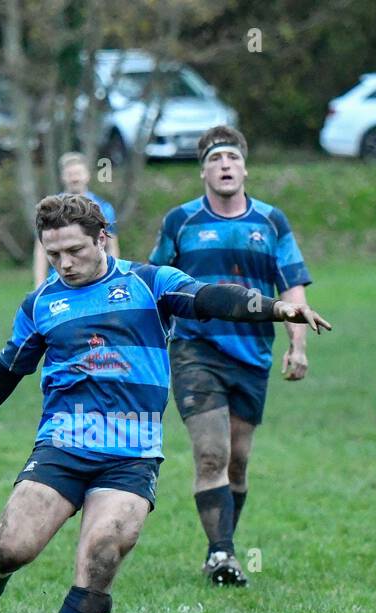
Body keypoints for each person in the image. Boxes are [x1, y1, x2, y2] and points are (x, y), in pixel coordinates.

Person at [0, 193, 326, 613]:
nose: (64, 264)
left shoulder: (150, 283)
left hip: (131, 457)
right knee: (12, 546)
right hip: (63, 447)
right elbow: (6, 370)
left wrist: (276, 309)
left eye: (74, 250)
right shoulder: (42, 303)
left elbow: (208, 298)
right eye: (53, 253)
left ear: (101, 238)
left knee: (105, 550)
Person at [149, 126, 314, 586]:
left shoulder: (271, 222)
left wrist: (296, 345)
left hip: (253, 355)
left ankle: (218, 547)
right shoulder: (180, 222)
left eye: (232, 158)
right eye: (216, 159)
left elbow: (292, 286)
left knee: (237, 460)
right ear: (203, 170)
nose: (225, 166)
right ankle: (223, 555)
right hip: (194, 351)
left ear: (244, 168)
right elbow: (155, 281)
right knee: (210, 455)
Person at [32, 151, 120, 286]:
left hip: (95, 280)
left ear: (87, 175)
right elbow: (40, 249)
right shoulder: (50, 209)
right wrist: (39, 284)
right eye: (70, 174)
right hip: (60, 282)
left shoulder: (103, 207)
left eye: (78, 173)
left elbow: (111, 246)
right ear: (62, 177)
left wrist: (113, 278)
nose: (74, 178)